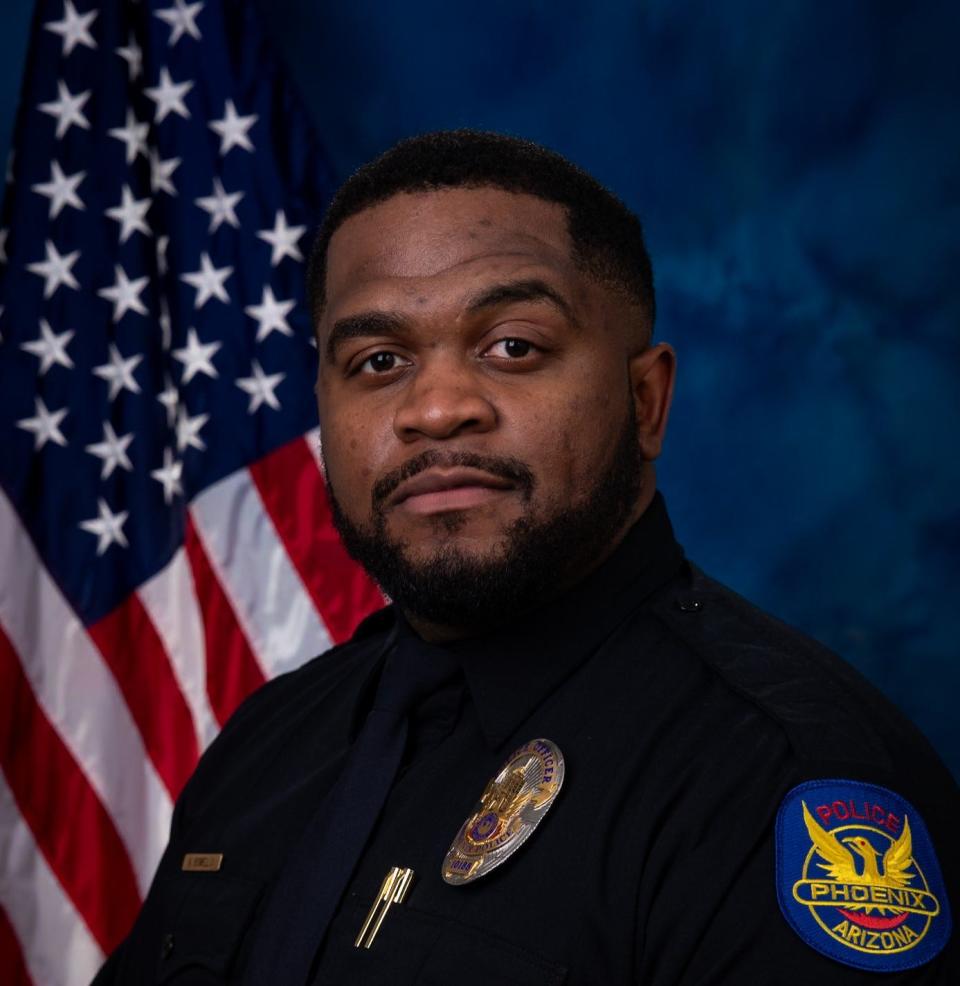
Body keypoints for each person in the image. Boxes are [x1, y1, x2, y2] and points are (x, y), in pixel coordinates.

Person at [93, 130, 958, 984]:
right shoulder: (268, 745)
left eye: (513, 346)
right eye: (379, 360)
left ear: (646, 399)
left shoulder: (780, 787)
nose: (435, 410)